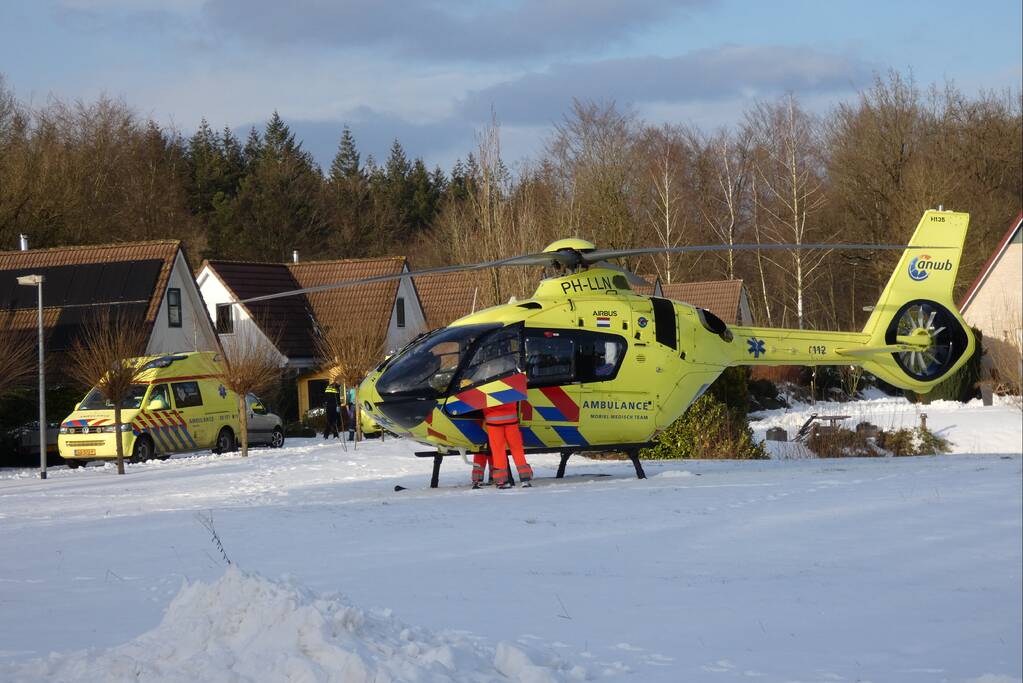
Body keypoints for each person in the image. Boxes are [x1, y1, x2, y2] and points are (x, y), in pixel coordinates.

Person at [483, 401, 532, 489]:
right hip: (511, 419)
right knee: (517, 449)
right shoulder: (510, 386)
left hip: (493, 421)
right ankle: (525, 480)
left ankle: (502, 481)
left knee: (498, 451)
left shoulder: (483, 387)